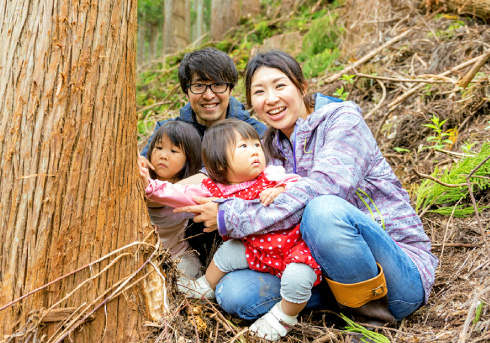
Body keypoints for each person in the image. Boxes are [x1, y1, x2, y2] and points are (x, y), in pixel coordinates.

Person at [173, 50, 439, 339]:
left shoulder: (341, 120)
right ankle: (332, 304)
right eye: (260, 92)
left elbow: (328, 186)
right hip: (320, 272)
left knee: (322, 210)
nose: (271, 98)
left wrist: (230, 216)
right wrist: (158, 190)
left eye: (279, 86)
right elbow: (225, 180)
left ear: (302, 87)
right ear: (253, 104)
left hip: (395, 274)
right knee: (233, 292)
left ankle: (371, 323)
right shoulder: (267, 147)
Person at [140, 119, 322, 340]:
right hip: (255, 250)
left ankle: (283, 317)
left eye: (256, 144)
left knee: (298, 278)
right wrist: (149, 187)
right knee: (227, 253)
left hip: (294, 248)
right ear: (219, 164)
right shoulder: (213, 188)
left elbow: (298, 182)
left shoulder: (272, 176)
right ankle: (205, 286)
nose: (255, 151)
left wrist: (283, 188)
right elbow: (179, 194)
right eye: (243, 147)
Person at [139, 47, 267, 266]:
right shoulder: (170, 133)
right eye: (199, 86)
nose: (209, 95)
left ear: (230, 88)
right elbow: (143, 176)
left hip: (239, 239)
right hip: (177, 239)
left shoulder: (253, 132)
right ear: (186, 91)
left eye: (218, 85)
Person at [140, 121, 203, 279]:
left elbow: (165, 194)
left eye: (174, 151)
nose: (163, 155)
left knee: (184, 286)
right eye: (159, 148)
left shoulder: (188, 189)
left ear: (189, 158)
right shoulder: (141, 178)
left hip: (177, 256)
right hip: (142, 256)